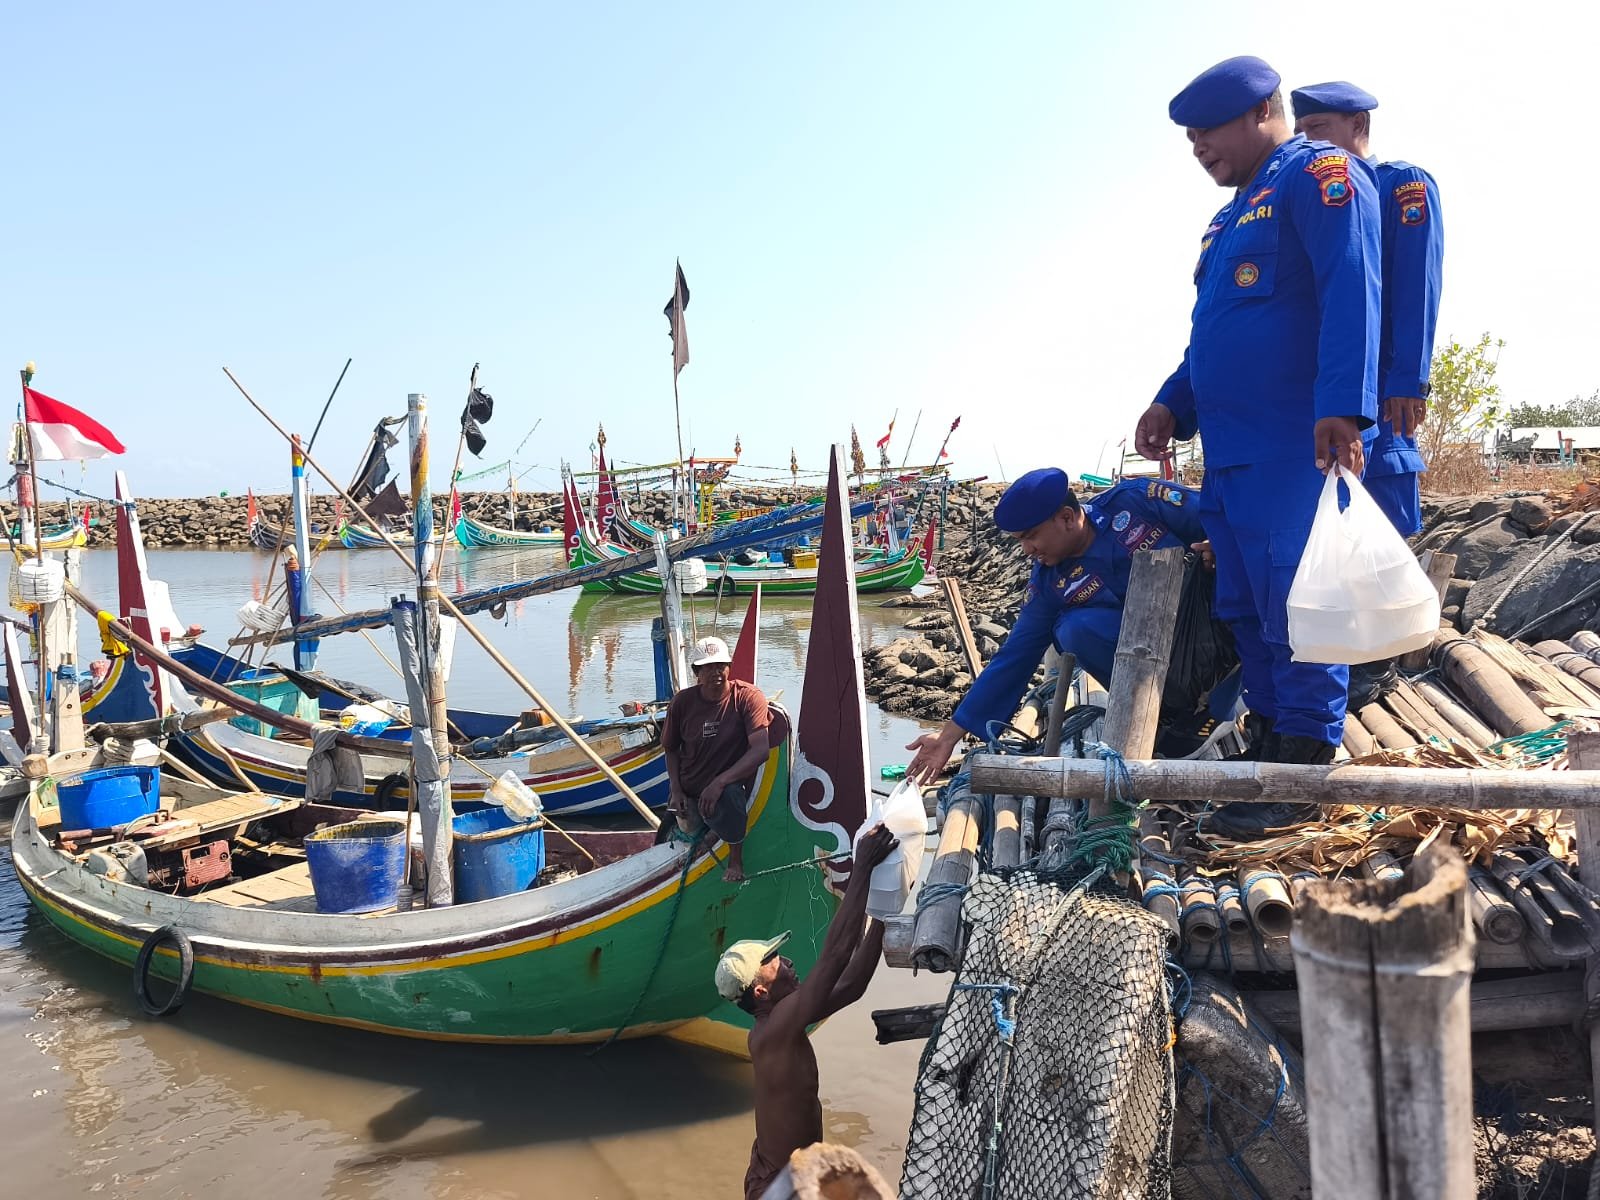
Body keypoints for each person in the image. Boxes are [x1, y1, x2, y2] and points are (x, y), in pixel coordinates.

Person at [1135, 56, 1382, 836]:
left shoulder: (1316, 175)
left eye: (1208, 129)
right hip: (1233, 456)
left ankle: (1305, 761)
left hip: (1294, 443)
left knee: (1303, 600)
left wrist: (1345, 404)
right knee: (1247, 606)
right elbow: (1213, 336)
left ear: (1264, 111)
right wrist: (1171, 404)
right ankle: (1271, 740)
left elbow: (1352, 280)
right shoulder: (1228, 218)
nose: (1198, 146)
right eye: (1189, 136)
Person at [903, 467, 1232, 784]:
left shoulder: (1138, 502)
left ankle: (1227, 705)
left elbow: (1223, 517)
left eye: (1031, 537)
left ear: (1065, 517)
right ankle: (1169, 714)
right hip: (1159, 664)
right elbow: (1015, 656)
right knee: (1073, 630)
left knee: (1231, 563)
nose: (1027, 550)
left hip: (1219, 633)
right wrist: (948, 737)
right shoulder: (1051, 583)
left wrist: (1219, 545)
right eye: (1020, 541)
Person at [1291, 81, 1444, 539]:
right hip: (1320, 393)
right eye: (1300, 132)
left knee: (1385, 544)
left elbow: (1418, 285)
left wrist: (1407, 379)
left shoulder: (1400, 185)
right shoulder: (1305, 195)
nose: (1308, 142)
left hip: (1380, 393)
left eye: (1318, 128)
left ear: (1359, 124)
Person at [715, 823, 897, 1200]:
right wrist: (861, 868)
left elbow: (851, 985)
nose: (788, 962)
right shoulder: (774, 1031)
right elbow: (836, 955)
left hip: (793, 1181)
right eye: (774, 961)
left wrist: (884, 913)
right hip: (779, 1189)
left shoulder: (785, 1020)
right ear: (760, 990)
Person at [662, 635, 772, 881]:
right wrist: (676, 789)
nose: (716, 672)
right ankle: (699, 835)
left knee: (731, 795)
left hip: (727, 788)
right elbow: (670, 749)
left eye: (720, 665)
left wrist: (720, 782)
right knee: (671, 828)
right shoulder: (682, 703)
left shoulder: (747, 697)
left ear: (729, 668)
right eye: (708, 667)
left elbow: (760, 750)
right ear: (696, 673)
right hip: (690, 788)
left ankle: (735, 861)